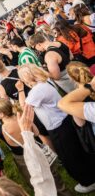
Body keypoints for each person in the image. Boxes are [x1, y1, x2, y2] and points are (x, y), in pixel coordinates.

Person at [17, 64, 95, 193]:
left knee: (70, 158)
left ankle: (87, 182)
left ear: (27, 78)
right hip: (64, 120)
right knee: (78, 151)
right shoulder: (45, 81)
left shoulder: (37, 90)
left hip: (58, 127)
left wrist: (20, 90)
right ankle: (90, 175)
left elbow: (24, 108)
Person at [0, 95, 69, 195]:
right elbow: (36, 133)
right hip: (36, 149)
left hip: (23, 159)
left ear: (2, 114)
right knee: (54, 178)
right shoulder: (22, 118)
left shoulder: (1, 130)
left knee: (36, 182)